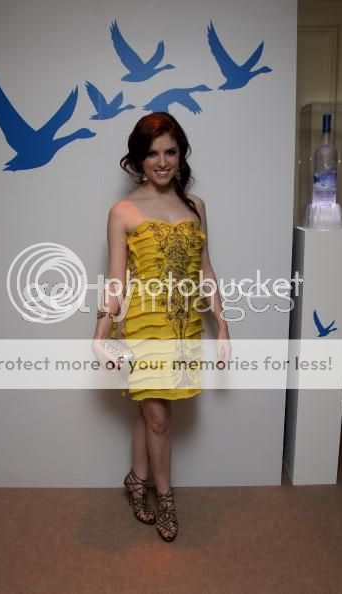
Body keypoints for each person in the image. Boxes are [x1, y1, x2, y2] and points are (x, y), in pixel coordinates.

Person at [93, 112, 231, 542]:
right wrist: (99, 336)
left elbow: (205, 271)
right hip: (142, 325)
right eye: (152, 153)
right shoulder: (123, 211)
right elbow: (116, 280)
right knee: (158, 419)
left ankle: (136, 480)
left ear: (181, 154)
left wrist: (223, 327)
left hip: (185, 325)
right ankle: (165, 499)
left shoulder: (196, 207)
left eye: (170, 151)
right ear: (138, 158)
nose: (162, 161)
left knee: (151, 409)